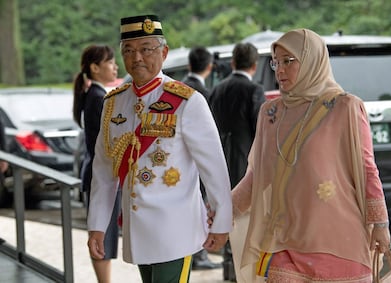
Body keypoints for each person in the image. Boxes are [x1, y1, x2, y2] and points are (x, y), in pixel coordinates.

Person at [230, 28, 391, 282]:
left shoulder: (345, 107)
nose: (279, 70)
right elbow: (259, 177)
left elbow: (367, 168)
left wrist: (381, 224)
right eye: (276, 62)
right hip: (285, 241)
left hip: (340, 241)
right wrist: (218, 213)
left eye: (288, 61)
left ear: (311, 61)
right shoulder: (270, 114)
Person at [87, 14, 232, 283]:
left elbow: (213, 168)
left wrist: (222, 222)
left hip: (176, 229)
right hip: (137, 231)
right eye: (129, 51)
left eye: (146, 49)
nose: (137, 57)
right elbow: (104, 171)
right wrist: (97, 225)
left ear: (164, 52)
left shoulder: (188, 101)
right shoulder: (114, 103)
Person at [209, 42, 266, 281]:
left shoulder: (217, 89)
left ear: (233, 63)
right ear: (254, 65)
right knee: (246, 222)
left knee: (225, 214)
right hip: (246, 166)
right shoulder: (255, 90)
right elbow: (261, 133)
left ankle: (227, 268)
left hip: (219, 162)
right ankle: (241, 272)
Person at [72, 44, 120, 283]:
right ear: (95, 67)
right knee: (103, 235)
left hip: (94, 173)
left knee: (104, 233)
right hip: (100, 175)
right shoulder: (99, 98)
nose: (115, 66)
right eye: (110, 62)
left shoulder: (94, 95)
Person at [181, 46, 221, 270]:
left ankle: (193, 253)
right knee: (199, 206)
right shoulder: (200, 94)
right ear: (209, 67)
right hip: (196, 159)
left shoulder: (179, 87)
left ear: (189, 65)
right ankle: (198, 254)